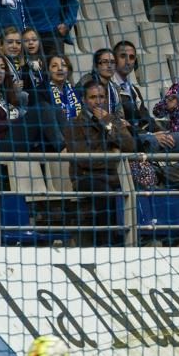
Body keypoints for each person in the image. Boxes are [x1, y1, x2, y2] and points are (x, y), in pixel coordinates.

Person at [64, 79, 135, 245]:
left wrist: (108, 123)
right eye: (93, 97)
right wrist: (114, 155)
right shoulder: (74, 125)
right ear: (84, 100)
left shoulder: (112, 120)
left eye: (102, 97)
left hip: (113, 175)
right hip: (85, 177)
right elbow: (83, 159)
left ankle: (139, 236)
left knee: (137, 187)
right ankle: (106, 242)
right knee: (105, 191)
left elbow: (130, 145)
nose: (98, 101)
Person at [111, 40, 179, 154]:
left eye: (131, 57)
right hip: (127, 138)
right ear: (114, 59)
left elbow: (145, 118)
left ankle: (176, 170)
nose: (128, 61)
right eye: (123, 56)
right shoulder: (109, 87)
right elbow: (119, 123)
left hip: (145, 135)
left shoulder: (133, 90)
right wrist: (149, 135)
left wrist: (162, 133)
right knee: (152, 142)